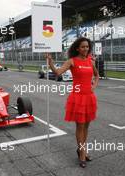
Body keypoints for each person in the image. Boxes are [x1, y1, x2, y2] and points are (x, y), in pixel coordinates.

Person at [45, 37, 99, 168]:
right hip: (77, 97)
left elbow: (97, 75)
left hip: (89, 97)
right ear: (77, 48)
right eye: (83, 47)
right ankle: (82, 153)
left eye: (87, 47)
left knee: (86, 127)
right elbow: (57, 73)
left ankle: (82, 149)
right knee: (80, 127)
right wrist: (50, 62)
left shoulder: (91, 62)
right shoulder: (72, 61)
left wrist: (94, 86)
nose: (85, 49)